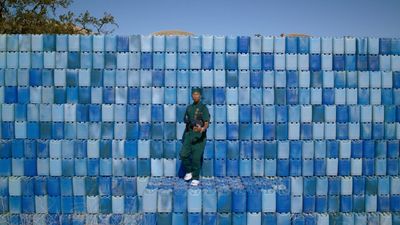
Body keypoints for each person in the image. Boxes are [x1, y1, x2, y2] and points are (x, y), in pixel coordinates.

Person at [179, 87, 210, 186]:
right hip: (189, 134)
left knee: (196, 158)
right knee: (183, 154)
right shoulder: (189, 107)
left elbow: (206, 123)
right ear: (192, 95)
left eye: (197, 94)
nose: (195, 96)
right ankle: (189, 171)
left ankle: (196, 177)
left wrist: (202, 129)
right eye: (194, 94)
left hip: (199, 137)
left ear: (200, 96)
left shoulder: (203, 108)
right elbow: (185, 119)